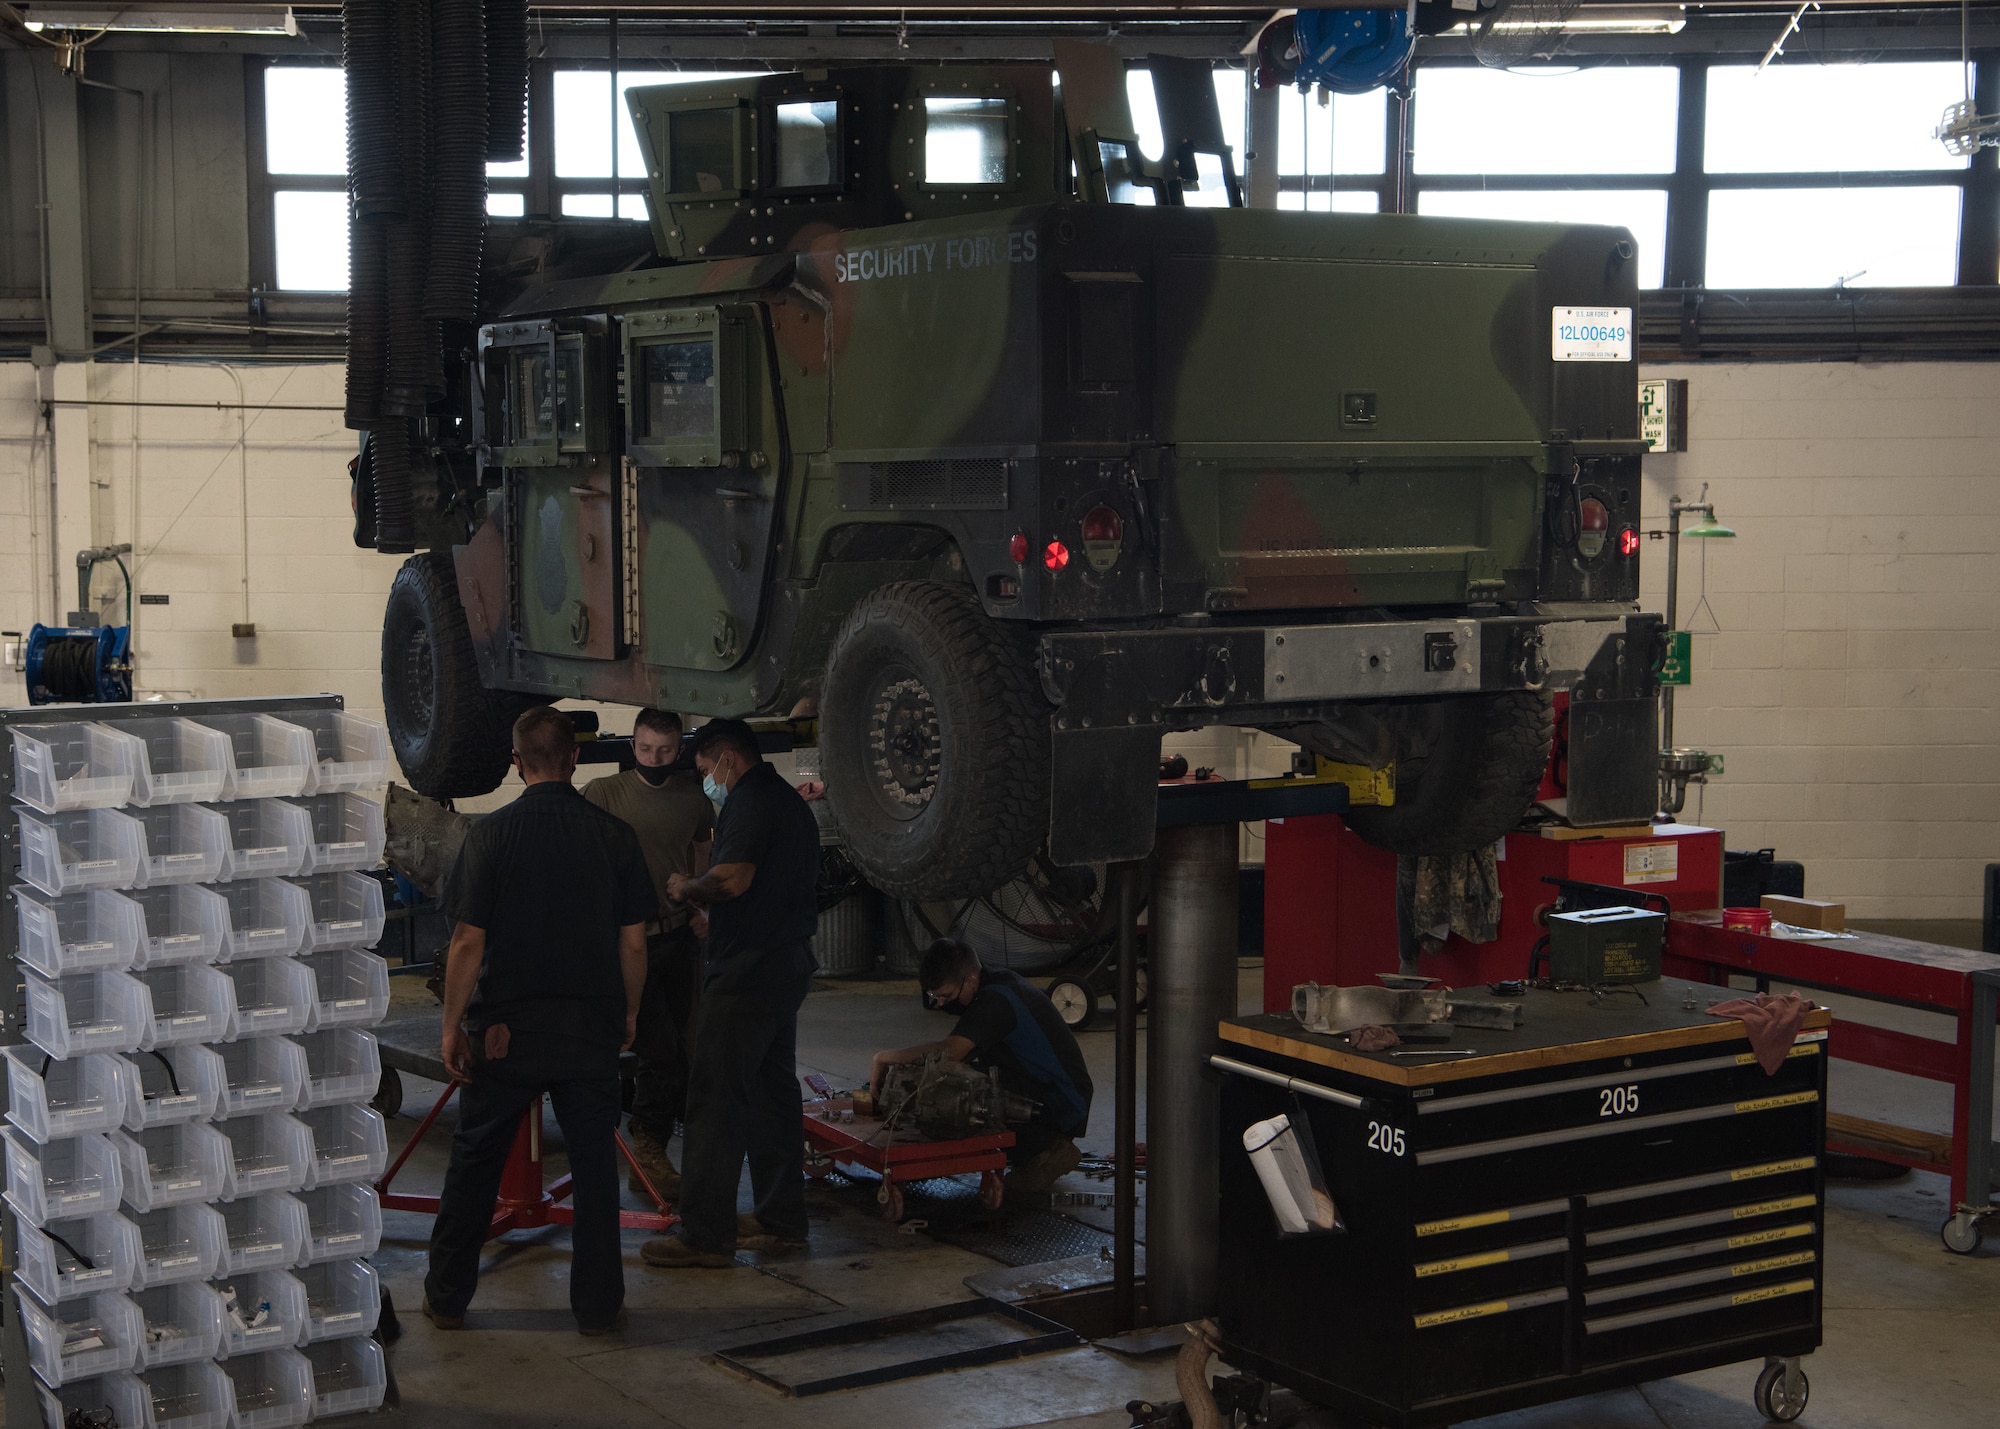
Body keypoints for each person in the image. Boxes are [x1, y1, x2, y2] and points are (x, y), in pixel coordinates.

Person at [424, 706, 654, 1334]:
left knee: (474, 1163)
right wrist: (629, 1011)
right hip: (590, 1031)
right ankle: (599, 1309)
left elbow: (469, 942)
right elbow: (633, 943)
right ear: (575, 757)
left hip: (506, 1036)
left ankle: (446, 1299)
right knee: (595, 1172)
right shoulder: (615, 836)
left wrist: (450, 1025)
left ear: (516, 762)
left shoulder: (490, 836)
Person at [641, 717, 821, 1269]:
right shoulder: (786, 801)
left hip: (748, 973)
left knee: (714, 1100)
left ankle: (705, 1234)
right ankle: (781, 1220)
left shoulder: (748, 801)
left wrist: (685, 888)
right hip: (784, 966)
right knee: (771, 1096)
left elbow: (733, 879)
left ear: (726, 759)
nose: (704, 782)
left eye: (703, 770)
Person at [583, 707, 714, 1198]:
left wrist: (703, 906)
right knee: (659, 1051)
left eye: (664, 751)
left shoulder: (693, 798)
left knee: (684, 1048)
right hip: (627, 942)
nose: (653, 759)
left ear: (678, 750)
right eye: (644, 750)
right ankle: (649, 1148)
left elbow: (701, 857)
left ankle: (656, 1139)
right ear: (630, 747)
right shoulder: (603, 795)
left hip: (679, 937)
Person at [870, 938, 1094, 1195]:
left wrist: (885, 1057)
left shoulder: (996, 1001)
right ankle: (1034, 1144)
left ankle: (1048, 1151)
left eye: (945, 996)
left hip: (1063, 1102)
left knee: (961, 1095)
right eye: (935, 997)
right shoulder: (990, 983)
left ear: (971, 981)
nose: (941, 1004)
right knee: (950, 1079)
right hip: (1040, 1085)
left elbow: (952, 1052)